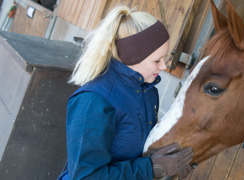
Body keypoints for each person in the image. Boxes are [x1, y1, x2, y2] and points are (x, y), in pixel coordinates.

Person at [57, 6, 194, 180]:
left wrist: (168, 166)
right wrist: (152, 169)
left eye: (165, 58)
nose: (164, 66)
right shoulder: (94, 101)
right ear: (133, 56)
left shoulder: (148, 92)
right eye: (156, 60)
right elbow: (86, 177)